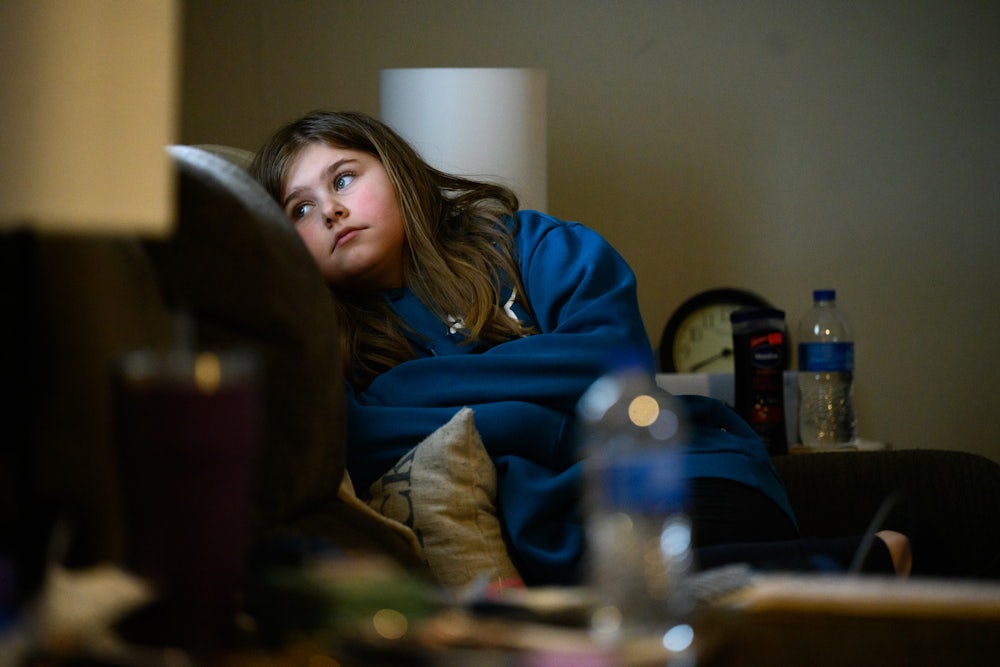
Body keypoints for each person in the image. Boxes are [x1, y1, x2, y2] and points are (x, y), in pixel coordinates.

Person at [249, 110, 910, 585]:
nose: (329, 211)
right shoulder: (326, 344)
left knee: (664, 582)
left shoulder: (524, 242)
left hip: (674, 468)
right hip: (547, 522)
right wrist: (543, 398)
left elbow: (613, 360)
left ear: (395, 171)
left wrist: (412, 390)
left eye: (341, 180)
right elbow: (358, 438)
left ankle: (846, 568)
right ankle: (858, 564)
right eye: (299, 208)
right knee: (622, 610)